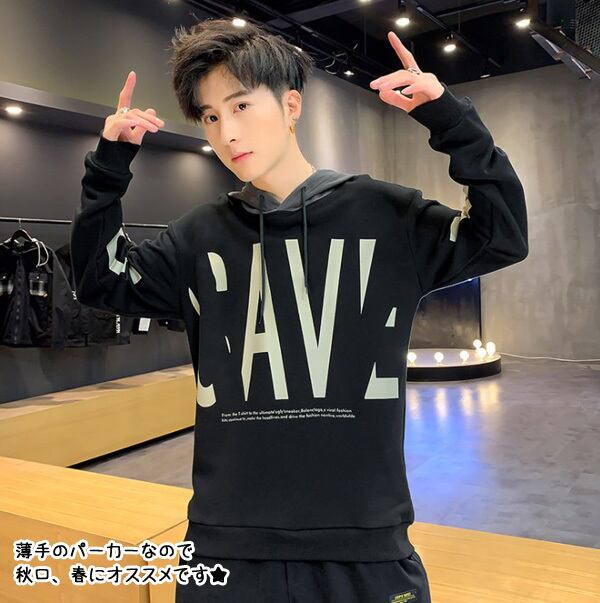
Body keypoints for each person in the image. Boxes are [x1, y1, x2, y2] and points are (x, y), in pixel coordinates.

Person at [70, 17, 528, 603]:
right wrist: (108, 166)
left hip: (364, 546)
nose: (227, 132)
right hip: (226, 548)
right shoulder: (197, 238)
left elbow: (502, 236)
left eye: (240, 105)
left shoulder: (387, 217)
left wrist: (450, 119)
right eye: (210, 117)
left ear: (291, 105)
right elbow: (98, 280)